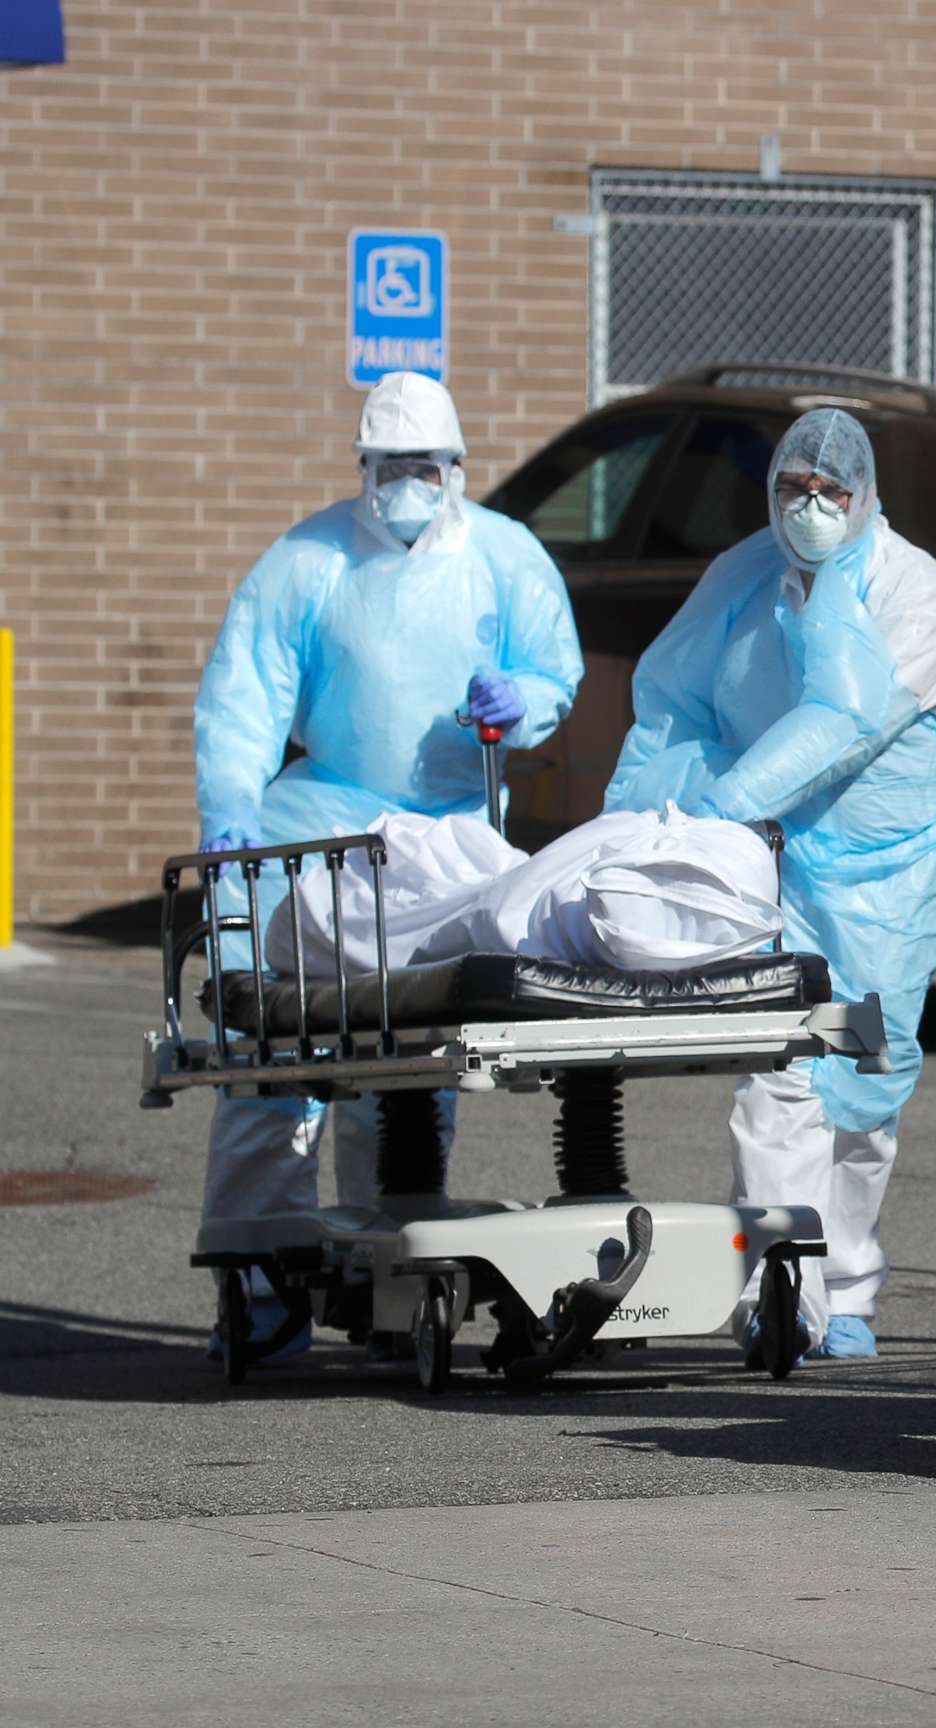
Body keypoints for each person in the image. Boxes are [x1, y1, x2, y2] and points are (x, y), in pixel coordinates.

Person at [193, 370, 582, 1358]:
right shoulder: (309, 561)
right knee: (271, 1060)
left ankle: (385, 1283)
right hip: (319, 828)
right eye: (390, 466)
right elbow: (244, 696)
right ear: (363, 467)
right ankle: (263, 1278)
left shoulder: (504, 557)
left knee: (410, 1065)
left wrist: (520, 703)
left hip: (449, 837)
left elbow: (554, 672)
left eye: (425, 466)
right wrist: (234, 810)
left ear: (456, 468)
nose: (407, 482)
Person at [605, 408, 936, 1363]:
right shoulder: (742, 578)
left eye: (831, 492)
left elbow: (846, 724)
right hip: (767, 864)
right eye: (793, 490)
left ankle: (848, 1286)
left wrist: (723, 804)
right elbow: (669, 698)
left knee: (869, 1081)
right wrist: (648, 817)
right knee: (778, 1074)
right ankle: (783, 1290)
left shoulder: (914, 591)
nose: (810, 508)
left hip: (887, 874)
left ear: (866, 496)